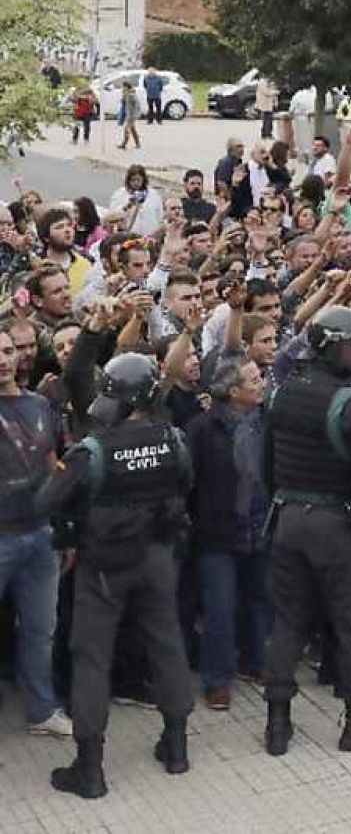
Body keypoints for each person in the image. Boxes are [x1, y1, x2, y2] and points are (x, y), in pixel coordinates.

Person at [38, 354, 195, 798]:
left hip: (103, 567)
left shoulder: (93, 451)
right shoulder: (175, 441)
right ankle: (177, 747)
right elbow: (185, 487)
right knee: (167, 644)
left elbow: (47, 501)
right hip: (158, 557)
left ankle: (89, 770)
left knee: (91, 658)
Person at [261, 306, 351, 757]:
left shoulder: (282, 394)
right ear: (328, 347)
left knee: (288, 620)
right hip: (338, 525)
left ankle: (277, 721)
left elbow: (267, 464)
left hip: (288, 518)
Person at [185, 357, 272, 711]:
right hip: (217, 532)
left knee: (260, 600)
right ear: (234, 391)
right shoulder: (202, 429)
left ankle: (255, 661)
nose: (263, 382)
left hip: (260, 526)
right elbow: (188, 481)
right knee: (219, 607)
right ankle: (217, 678)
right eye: (254, 379)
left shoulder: (268, 423)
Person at [0, 327, 72, 739]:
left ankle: (41, 710)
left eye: (8, 350)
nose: (3, 360)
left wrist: (63, 530)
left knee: (40, 629)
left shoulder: (40, 404)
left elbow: (52, 466)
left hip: (39, 535)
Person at [117, 82, 141, 150]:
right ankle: (138, 143)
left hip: (131, 115)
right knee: (133, 129)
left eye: (123, 87)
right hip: (129, 114)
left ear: (126, 87)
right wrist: (123, 94)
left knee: (126, 129)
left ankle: (124, 144)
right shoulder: (126, 94)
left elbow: (137, 105)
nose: (122, 88)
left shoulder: (131, 95)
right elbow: (123, 102)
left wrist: (134, 115)